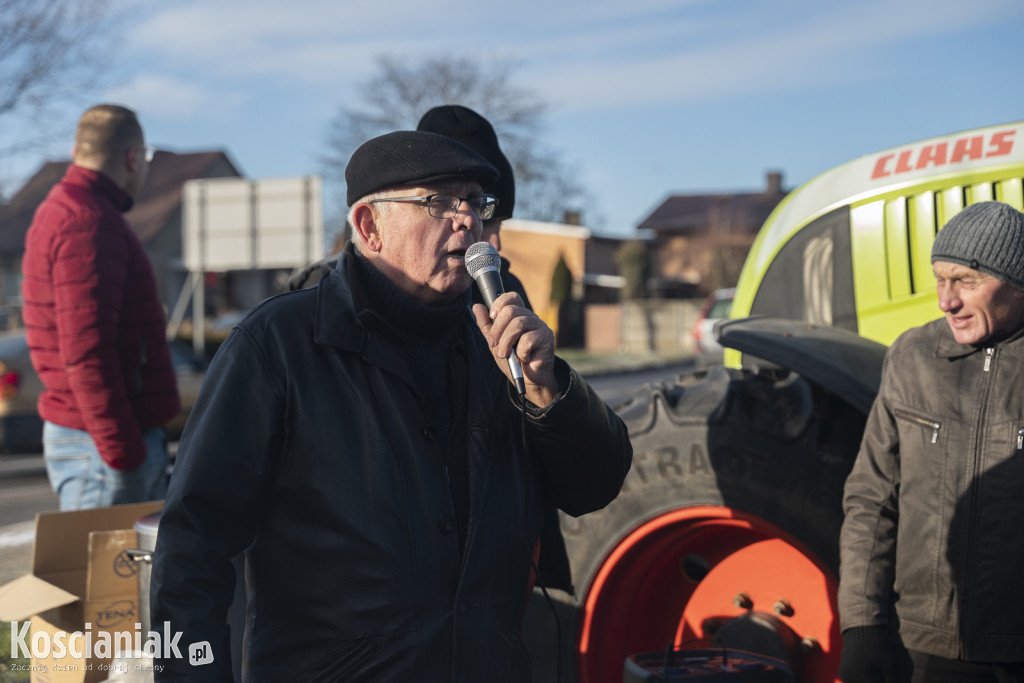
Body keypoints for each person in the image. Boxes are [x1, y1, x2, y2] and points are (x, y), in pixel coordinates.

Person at [151, 130, 632, 681]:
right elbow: (192, 547)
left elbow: (597, 485)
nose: (468, 220)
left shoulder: (496, 340)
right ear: (369, 227)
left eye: (476, 202)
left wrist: (550, 393)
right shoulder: (278, 346)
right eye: (440, 202)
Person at [838, 201, 1024, 682]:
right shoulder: (911, 357)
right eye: (940, 279)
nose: (946, 301)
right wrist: (862, 625)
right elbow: (871, 499)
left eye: (966, 281)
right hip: (922, 647)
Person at [21, 104, 180, 510]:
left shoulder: (67, 209)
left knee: (113, 572)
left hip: (92, 439)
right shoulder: (88, 221)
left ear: (77, 151)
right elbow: (86, 349)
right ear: (132, 158)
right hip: (101, 447)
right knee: (102, 573)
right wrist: (122, 450)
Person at [284, 104, 529, 307]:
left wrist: (544, 367)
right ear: (371, 226)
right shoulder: (315, 303)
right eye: (444, 202)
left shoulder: (505, 293)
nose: (495, 244)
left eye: (479, 207)